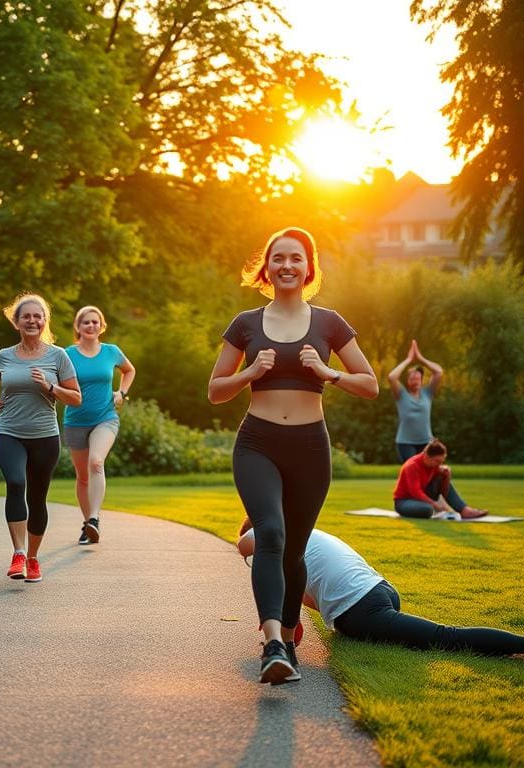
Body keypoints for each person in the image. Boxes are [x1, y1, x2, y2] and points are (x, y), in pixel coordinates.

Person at [207, 226, 379, 685]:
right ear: (267, 267)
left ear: (308, 268)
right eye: (278, 258)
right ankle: (272, 644)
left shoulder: (330, 323)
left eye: (296, 259)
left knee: (294, 551)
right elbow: (215, 391)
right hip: (258, 443)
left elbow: (370, 383)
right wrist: (249, 373)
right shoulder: (245, 324)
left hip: (310, 448)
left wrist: (328, 372)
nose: (286, 265)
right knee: (271, 533)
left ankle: (286, 636)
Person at [237, 520, 524, 658]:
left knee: (445, 637)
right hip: (382, 590)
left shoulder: (267, 530)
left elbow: (242, 544)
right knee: (430, 634)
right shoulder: (306, 531)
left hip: (362, 610)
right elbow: (307, 596)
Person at [0, 293, 80, 583]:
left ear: (44, 321)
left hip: (44, 436)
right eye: (26, 316)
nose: (32, 320)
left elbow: (75, 397)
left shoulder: (58, 355)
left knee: (37, 498)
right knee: (15, 483)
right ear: (17, 322)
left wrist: (50, 386)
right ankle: (19, 553)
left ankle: (34, 559)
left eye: (38, 316)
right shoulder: (4, 355)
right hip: (9, 431)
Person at [63, 306, 136, 545]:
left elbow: (129, 370)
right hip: (74, 421)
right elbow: (55, 381)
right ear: (78, 327)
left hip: (105, 417)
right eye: (86, 322)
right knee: (82, 477)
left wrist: (122, 393)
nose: (91, 326)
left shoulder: (111, 351)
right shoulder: (67, 354)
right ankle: (88, 525)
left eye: (95, 322)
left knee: (96, 462)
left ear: (101, 326)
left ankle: (94, 519)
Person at [393, 439, 488, 519]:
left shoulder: (433, 465)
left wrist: (447, 476)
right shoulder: (412, 466)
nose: (439, 464)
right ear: (426, 456)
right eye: (437, 461)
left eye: (442, 461)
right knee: (427, 509)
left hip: (422, 498)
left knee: (442, 476)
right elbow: (415, 492)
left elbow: (444, 491)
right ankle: (429, 508)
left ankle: (465, 510)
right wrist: (434, 504)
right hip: (405, 501)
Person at [388, 339, 443, 461]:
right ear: (408, 381)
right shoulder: (401, 394)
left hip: (427, 442)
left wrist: (420, 357)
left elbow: (438, 372)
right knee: (413, 472)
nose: (415, 379)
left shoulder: (428, 393)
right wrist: (408, 359)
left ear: (422, 380)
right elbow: (392, 377)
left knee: (430, 474)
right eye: (412, 377)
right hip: (405, 443)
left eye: (418, 377)